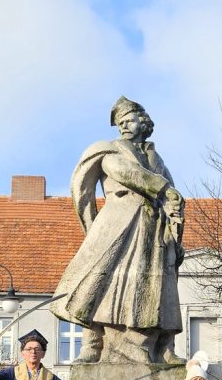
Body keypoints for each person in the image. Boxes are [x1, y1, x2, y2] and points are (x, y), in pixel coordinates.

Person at [52, 96, 186, 365]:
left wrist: (175, 231)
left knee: (151, 286)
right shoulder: (110, 150)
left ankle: (157, 346)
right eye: (120, 122)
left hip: (151, 227)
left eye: (128, 120)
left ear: (143, 122)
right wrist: (163, 189)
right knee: (98, 281)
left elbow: (173, 196)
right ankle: (93, 345)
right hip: (118, 221)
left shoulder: (156, 158)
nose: (123, 126)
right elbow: (124, 171)